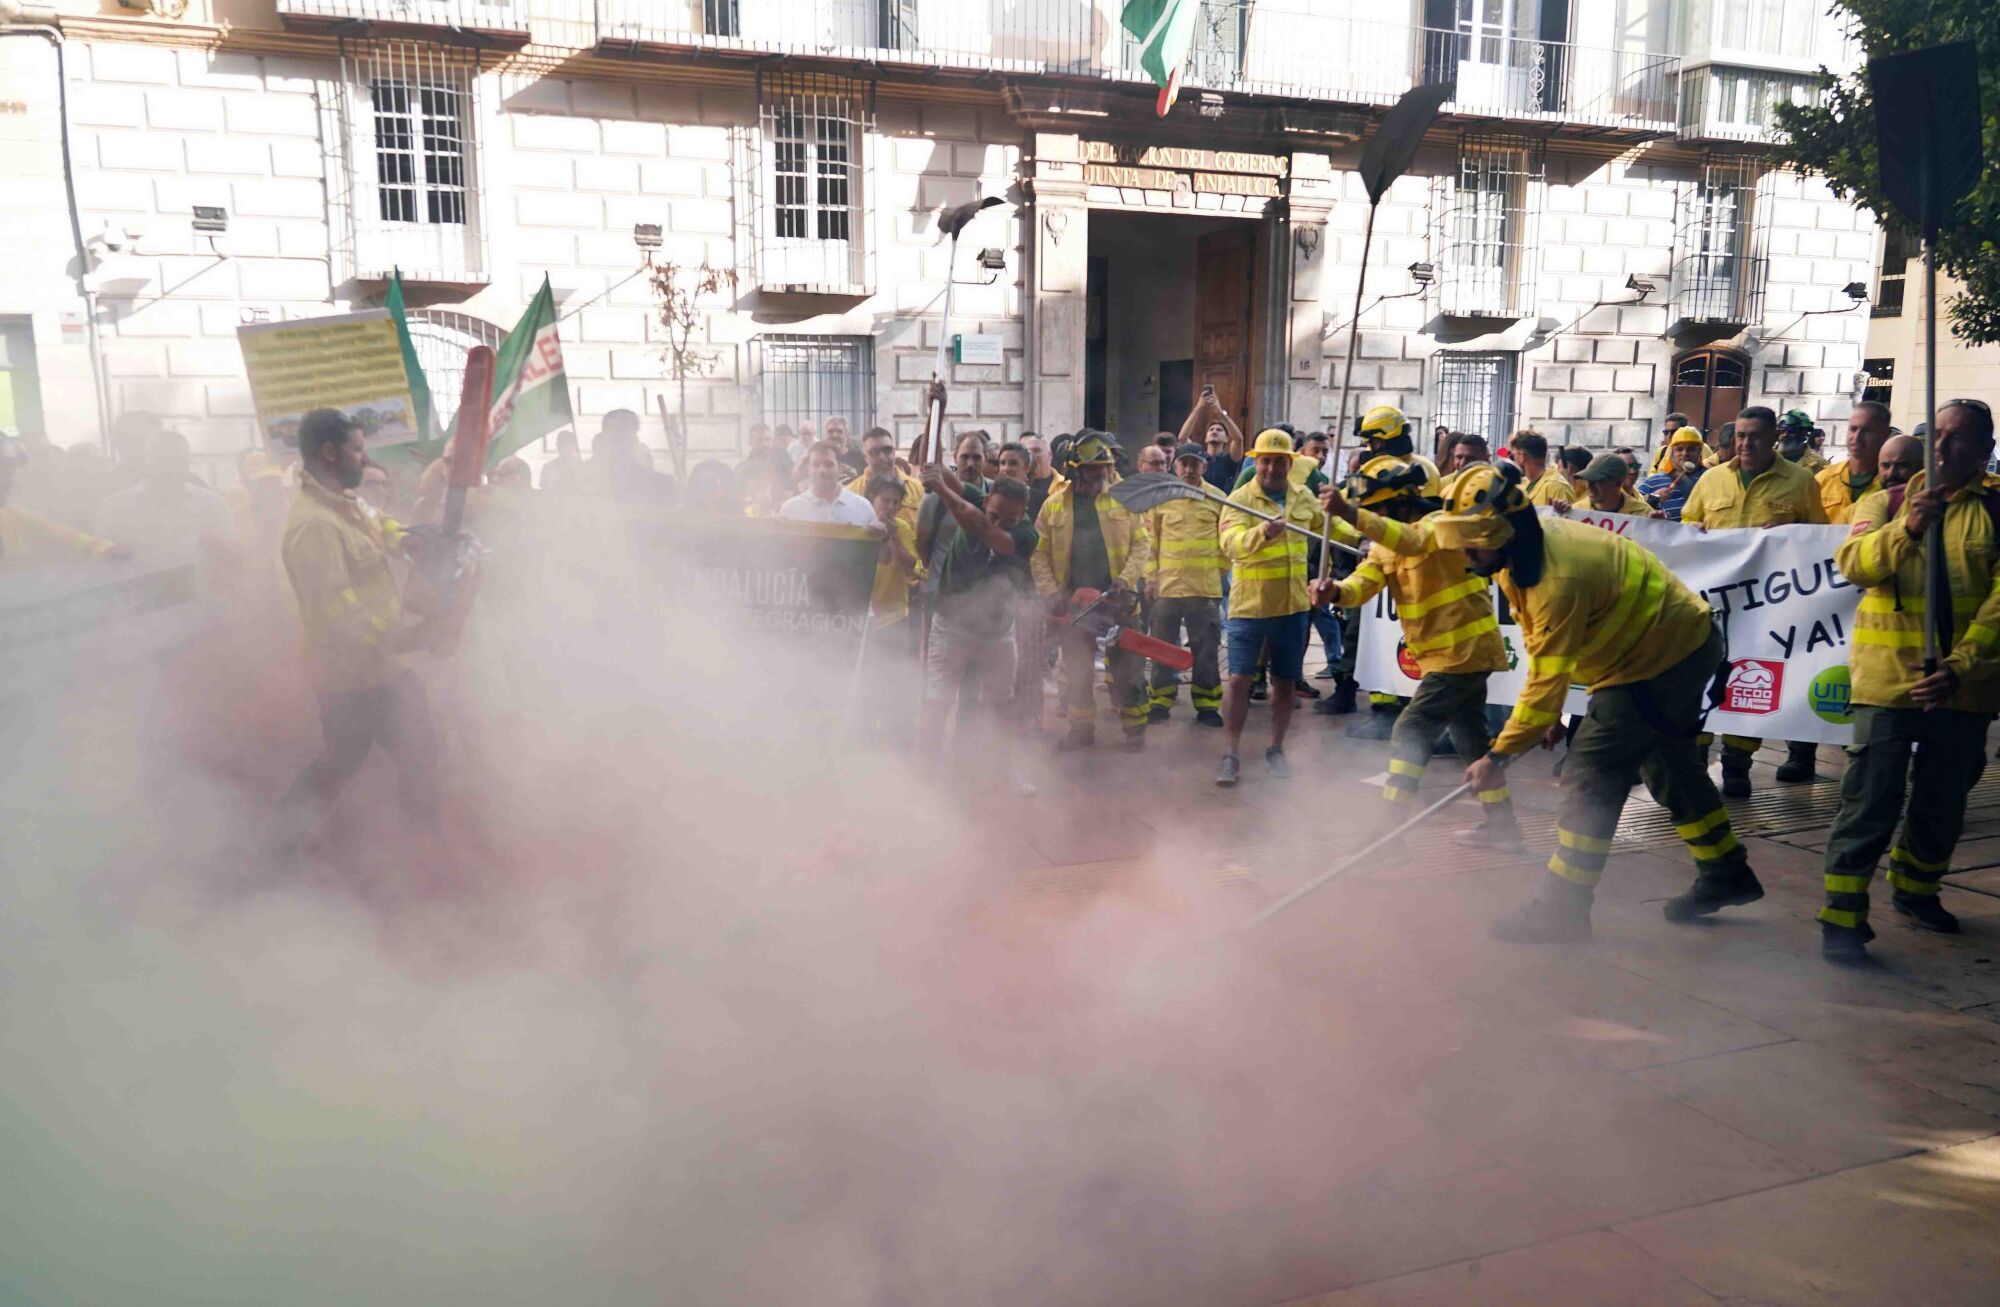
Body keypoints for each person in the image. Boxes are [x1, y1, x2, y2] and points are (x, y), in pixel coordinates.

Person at [1334, 462, 1759, 942]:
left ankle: (1562, 910)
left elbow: (1548, 674)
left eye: (1470, 543)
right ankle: (1726, 871)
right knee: (1669, 767)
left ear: (1498, 532)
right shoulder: (1521, 554)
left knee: (1590, 773)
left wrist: (1500, 755)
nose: (1464, 554)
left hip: (1661, 659)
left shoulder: (1554, 578)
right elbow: (1547, 655)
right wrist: (1548, 718)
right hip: (1657, 651)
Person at [1819, 400, 2000, 963]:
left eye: (1959, 438)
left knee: (1943, 798)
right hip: (1886, 683)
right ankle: (1842, 918)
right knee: (1870, 799)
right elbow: (1856, 566)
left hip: (1962, 687)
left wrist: (1960, 666)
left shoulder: (1997, 509)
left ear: (1985, 448)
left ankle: (1917, 889)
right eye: (1936, 435)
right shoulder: (1886, 502)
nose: (1944, 448)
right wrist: (1909, 528)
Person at [271, 408, 456, 843]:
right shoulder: (313, 524)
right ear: (331, 453)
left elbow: (379, 525)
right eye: (358, 450)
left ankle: (420, 841)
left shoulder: (342, 502)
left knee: (404, 751)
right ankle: (277, 843)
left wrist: (406, 540)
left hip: (378, 666)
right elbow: (335, 611)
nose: (364, 458)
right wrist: (400, 638)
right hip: (350, 674)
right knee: (359, 758)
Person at [1321, 456, 1523, 850]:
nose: (1374, 517)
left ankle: (1389, 840)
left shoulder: (1437, 526)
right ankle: (1504, 830)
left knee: (1410, 730)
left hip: (1462, 651)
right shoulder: (1385, 544)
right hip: (1447, 657)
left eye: (1378, 509)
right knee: (1474, 744)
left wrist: (1350, 513)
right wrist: (1336, 592)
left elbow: (1411, 541)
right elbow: (1364, 583)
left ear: (1402, 503)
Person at [1681, 405, 1831, 792]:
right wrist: (1693, 529)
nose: (1746, 443)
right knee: (1702, 680)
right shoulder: (1711, 479)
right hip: (1709, 609)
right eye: (1741, 436)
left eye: (1755, 436)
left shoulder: (1801, 482)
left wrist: (1791, 535)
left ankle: (1737, 764)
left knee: (1751, 684)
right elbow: (1685, 527)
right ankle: (1695, 764)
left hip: (1767, 608)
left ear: (1774, 437)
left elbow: (1820, 541)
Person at [1214, 430, 1332, 785]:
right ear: (1256, 462)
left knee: (1284, 682)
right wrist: (1261, 533)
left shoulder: (1303, 497)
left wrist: (1354, 528)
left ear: (1289, 464)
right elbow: (1230, 545)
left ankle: (1275, 748)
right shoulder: (1239, 500)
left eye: (1278, 461)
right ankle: (1231, 753)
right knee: (1238, 680)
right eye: (1265, 460)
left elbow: (1327, 528)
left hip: (1292, 606)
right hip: (1249, 607)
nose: (1271, 468)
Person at [1032, 431, 1152, 751]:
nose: (1100, 474)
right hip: (1075, 606)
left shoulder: (1124, 500)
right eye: (1092, 469)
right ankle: (1081, 730)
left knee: (1128, 671)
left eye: (1104, 468)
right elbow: (1038, 553)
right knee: (1077, 672)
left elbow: (1142, 543)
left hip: (1119, 603)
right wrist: (1050, 592)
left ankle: (1135, 731)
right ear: (1074, 470)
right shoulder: (1053, 506)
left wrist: (1126, 579)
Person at [920, 465, 1037, 783]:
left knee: (1001, 703)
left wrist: (943, 491)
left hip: (997, 633)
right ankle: (926, 774)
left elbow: (984, 531)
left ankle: (1005, 767)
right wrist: (934, 417)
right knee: (938, 700)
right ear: (986, 500)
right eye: (995, 514)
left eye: (1010, 520)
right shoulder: (974, 496)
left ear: (1023, 515)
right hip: (950, 626)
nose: (998, 522)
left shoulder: (1026, 535)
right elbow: (940, 469)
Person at [1144, 443, 1225, 729]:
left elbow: (1225, 546)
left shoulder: (1218, 498)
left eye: (1195, 464)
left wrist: (1215, 573)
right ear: (1175, 465)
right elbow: (1150, 543)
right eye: (1184, 464)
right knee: (1161, 647)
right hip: (1166, 587)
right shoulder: (1160, 499)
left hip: (1203, 588)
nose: (1189, 470)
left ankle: (1207, 704)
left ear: (1204, 466)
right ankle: (1160, 700)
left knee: (1206, 649)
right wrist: (1150, 578)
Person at [92, 429, 232, 558]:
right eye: (162, 458)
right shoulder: (113, 507)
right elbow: (101, 559)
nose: (170, 466)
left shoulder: (212, 504)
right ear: (146, 460)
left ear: (188, 461)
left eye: (177, 458)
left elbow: (230, 555)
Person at [0, 435, 128, 570]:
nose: (9, 485)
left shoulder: (14, 517)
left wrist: (104, 548)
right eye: (4, 475)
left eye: (9, 475)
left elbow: (64, 536)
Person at [779, 442, 884, 530]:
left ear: (840, 468)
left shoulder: (862, 507)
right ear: (808, 469)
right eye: (816, 464)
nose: (822, 470)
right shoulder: (790, 509)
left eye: (829, 464)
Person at [1817, 400, 1891, 524]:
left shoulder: (1891, 482)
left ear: (1885, 435)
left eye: (1867, 430)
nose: (1856, 437)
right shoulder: (1823, 480)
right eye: (1853, 429)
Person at [847, 427, 924, 532]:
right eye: (874, 452)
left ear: (894, 452)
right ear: (865, 458)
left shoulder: (919, 489)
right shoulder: (851, 493)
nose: (882, 457)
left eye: (887, 450)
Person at [1179, 385, 1244, 492]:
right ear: (1205, 438)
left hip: (1222, 503)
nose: (1214, 431)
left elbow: (1238, 439)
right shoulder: (1198, 457)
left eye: (1219, 430)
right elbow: (1182, 438)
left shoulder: (1229, 459)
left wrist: (1220, 413)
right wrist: (1198, 408)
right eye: (1211, 429)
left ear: (1226, 439)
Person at [1636, 427, 1706, 521]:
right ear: (1672, 452)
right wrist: (1652, 498)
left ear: (1700, 452)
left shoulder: (1711, 478)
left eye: (1692, 449)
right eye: (1679, 449)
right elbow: (1632, 508)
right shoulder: (1652, 482)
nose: (1685, 453)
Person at [1575, 452, 1657, 516]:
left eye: (1597, 481)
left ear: (1618, 483)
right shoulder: (1576, 511)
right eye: (1587, 480)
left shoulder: (1643, 514)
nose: (1589, 487)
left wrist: (1660, 526)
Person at [1778, 409, 1829, 473]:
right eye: (1782, 431)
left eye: (1790, 431)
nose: (1784, 435)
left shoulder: (1820, 464)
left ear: (1803, 434)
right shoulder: (1767, 458)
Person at [1021, 434, 1058, 518]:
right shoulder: (1019, 486)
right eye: (1028, 452)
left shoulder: (1064, 486)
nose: (1031, 455)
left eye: (1036, 450)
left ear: (1049, 455)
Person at [542, 429, 585, 494]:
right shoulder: (548, 467)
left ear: (575, 447)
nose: (564, 450)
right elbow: (544, 491)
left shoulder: (583, 467)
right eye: (561, 446)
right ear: (557, 447)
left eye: (568, 446)